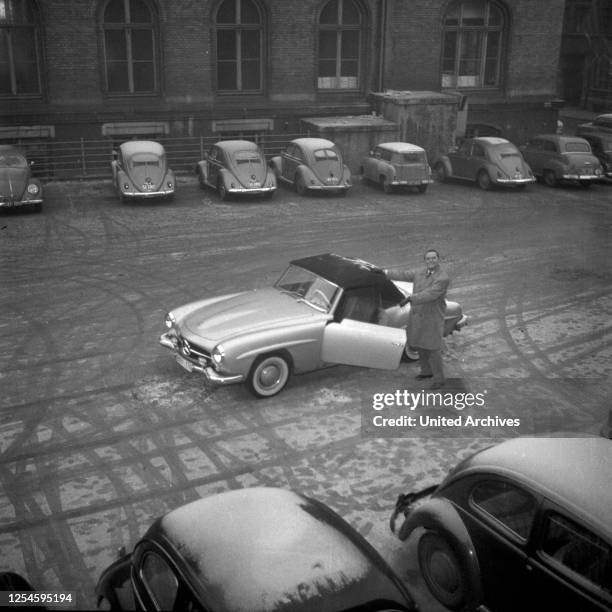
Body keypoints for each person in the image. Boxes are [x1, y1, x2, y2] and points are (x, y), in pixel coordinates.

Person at [384, 249, 449, 389]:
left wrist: (410, 298)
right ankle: (426, 372)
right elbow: (403, 274)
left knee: (433, 349)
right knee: (420, 345)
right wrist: (385, 272)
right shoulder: (420, 272)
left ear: (438, 259)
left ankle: (439, 379)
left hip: (432, 318)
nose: (431, 261)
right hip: (418, 316)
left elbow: (430, 294)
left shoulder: (442, 278)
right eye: (428, 258)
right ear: (425, 261)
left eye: (433, 258)